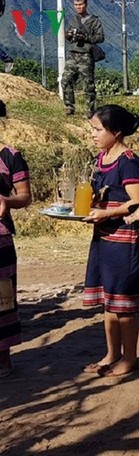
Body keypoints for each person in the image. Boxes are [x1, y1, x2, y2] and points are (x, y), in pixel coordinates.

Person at [82, 105, 139, 378]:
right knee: (109, 302)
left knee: (124, 306)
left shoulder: (128, 161)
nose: (93, 135)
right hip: (103, 239)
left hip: (124, 242)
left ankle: (130, 358)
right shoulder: (102, 158)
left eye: (98, 130)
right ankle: (111, 353)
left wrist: (108, 212)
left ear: (116, 132)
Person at [0, 103, 32, 378]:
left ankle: (3, 359)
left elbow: (25, 196)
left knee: (2, 296)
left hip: (0, 238)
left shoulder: (10, 156)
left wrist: (6, 201)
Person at [61, 0, 104, 117]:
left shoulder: (94, 20)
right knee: (65, 80)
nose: (78, 7)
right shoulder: (73, 19)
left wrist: (85, 37)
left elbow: (100, 37)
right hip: (73, 54)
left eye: (80, 4)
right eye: (76, 5)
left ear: (86, 5)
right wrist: (68, 35)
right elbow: (68, 37)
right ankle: (69, 107)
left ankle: (91, 110)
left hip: (86, 55)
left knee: (88, 84)